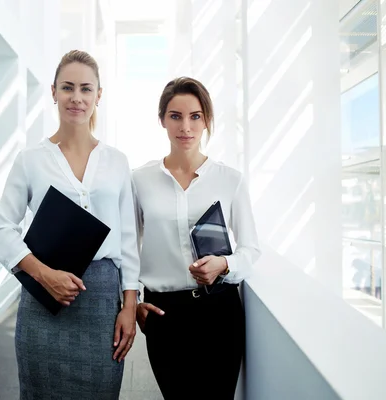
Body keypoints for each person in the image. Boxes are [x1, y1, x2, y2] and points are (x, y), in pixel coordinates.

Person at [0, 50, 140, 400]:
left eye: (86, 89)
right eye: (68, 87)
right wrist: (44, 275)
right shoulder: (30, 160)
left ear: (98, 95)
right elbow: (2, 229)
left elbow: (130, 239)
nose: (77, 98)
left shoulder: (117, 162)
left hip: (102, 299)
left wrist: (130, 305)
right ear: (54, 91)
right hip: (43, 303)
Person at [132, 77, 261, 399]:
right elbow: (127, 248)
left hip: (219, 311)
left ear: (206, 120)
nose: (185, 126)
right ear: (162, 119)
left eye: (195, 116)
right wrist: (132, 299)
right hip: (163, 313)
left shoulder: (229, 180)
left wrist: (225, 264)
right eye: (175, 116)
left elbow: (251, 249)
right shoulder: (139, 180)